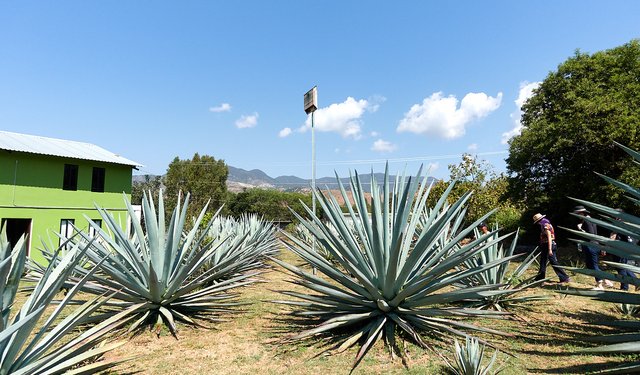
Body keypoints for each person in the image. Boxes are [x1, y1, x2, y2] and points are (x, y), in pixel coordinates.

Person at [574, 205, 613, 290]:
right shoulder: (589, 219)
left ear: (581, 213)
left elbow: (590, 235)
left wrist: (580, 229)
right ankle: (606, 280)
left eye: (577, 213)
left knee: (593, 265)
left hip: (590, 245)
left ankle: (600, 285)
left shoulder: (587, 221)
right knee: (590, 265)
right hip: (593, 245)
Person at [533, 213, 570, 284]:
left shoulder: (545, 225)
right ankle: (539, 278)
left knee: (553, 262)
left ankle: (564, 277)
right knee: (543, 262)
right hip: (545, 245)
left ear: (538, 221)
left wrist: (550, 249)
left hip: (549, 245)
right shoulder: (545, 223)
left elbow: (549, 237)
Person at [608, 209, 638, 291]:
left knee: (621, 268)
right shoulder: (627, 223)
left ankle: (624, 287)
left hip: (620, 249)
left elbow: (613, 236)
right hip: (627, 248)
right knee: (624, 268)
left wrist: (608, 245)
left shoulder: (619, 223)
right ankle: (637, 282)